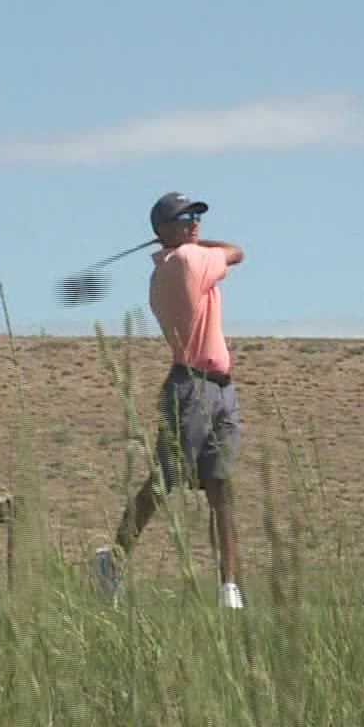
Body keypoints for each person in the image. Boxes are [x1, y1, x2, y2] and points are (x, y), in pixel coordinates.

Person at [93, 191, 247, 608]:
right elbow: (238, 252)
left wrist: (184, 239)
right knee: (165, 481)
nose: (194, 223)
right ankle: (114, 561)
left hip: (219, 387)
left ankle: (229, 588)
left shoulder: (171, 262)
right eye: (184, 219)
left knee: (221, 486)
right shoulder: (186, 262)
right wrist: (200, 243)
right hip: (191, 387)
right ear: (164, 230)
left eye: (196, 215)